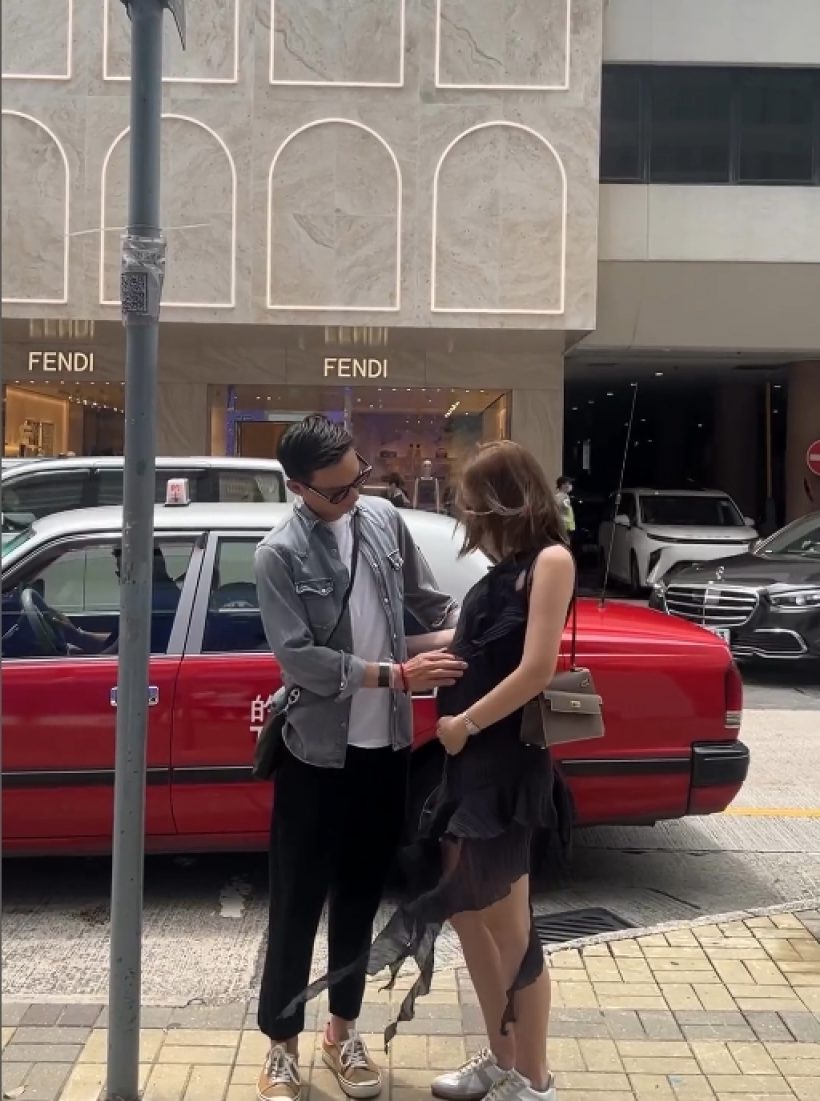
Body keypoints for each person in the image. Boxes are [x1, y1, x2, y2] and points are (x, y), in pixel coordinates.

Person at [281, 440, 575, 1101]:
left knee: (511, 927)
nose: (465, 515)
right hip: (467, 766)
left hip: (505, 767)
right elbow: (461, 647)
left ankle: (533, 1079)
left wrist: (465, 721)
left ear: (503, 499)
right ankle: (500, 1057)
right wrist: (377, 664)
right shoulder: (504, 569)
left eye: (471, 502)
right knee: (468, 914)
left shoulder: (550, 562)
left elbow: (537, 669)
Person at [253, 415, 465, 1101]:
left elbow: (429, 605)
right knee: (296, 902)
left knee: (360, 896)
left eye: (359, 478)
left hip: (386, 750)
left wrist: (487, 626)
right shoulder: (279, 554)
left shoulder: (382, 520)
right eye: (338, 490)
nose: (353, 497)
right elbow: (300, 660)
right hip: (316, 754)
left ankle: (342, 1031)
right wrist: (394, 676)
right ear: (298, 486)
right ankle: (281, 1045)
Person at [554, 476, 575, 541]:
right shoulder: (565, 497)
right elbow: (565, 507)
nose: (570, 486)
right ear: (563, 485)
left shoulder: (556, 496)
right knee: (565, 543)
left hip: (560, 524)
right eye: (569, 484)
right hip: (565, 525)